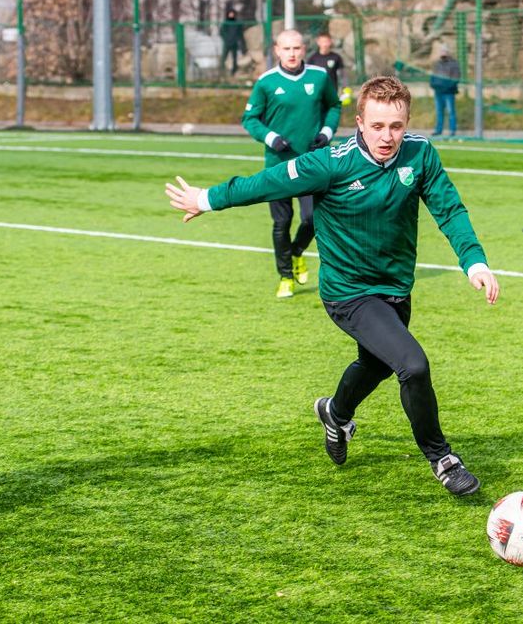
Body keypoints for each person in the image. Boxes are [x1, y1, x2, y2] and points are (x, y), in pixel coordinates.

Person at [166, 76, 499, 495]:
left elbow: (449, 209)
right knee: (412, 364)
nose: (387, 136)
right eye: (377, 126)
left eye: (395, 126)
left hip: (395, 288)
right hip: (348, 292)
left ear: (407, 122)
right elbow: (267, 183)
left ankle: (335, 413)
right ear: (359, 122)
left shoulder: (420, 153)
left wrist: (474, 262)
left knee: (377, 364)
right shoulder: (330, 162)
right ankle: (443, 459)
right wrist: (208, 199)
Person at [241, 28, 342, 298]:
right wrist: (271, 137)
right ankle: (285, 276)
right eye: (286, 49)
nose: (292, 53)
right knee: (281, 223)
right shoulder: (266, 82)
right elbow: (249, 119)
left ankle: (297, 252)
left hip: (311, 163)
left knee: (312, 218)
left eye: (296, 48)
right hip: (277, 165)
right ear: (277, 50)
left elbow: (334, 106)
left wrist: (326, 133)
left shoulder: (319, 77)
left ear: (303, 49)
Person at [306, 32, 352, 107]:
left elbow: (342, 75)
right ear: (318, 42)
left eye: (326, 41)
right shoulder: (312, 58)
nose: (324, 44)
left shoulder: (336, 57)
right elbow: (308, 76)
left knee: (331, 113)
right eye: (322, 42)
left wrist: (345, 88)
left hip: (332, 91)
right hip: (317, 91)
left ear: (330, 42)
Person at [429, 44, 461, 137]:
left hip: (449, 92)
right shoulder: (436, 64)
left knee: (451, 112)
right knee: (439, 112)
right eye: (441, 51)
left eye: (444, 51)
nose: (443, 53)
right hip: (438, 92)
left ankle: (452, 130)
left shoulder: (454, 64)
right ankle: (438, 130)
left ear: (448, 52)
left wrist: (446, 87)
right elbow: (433, 78)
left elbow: (456, 78)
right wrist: (434, 85)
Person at [219, 9, 246, 76]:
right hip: (227, 43)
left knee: (234, 58)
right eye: (230, 13)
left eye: (232, 13)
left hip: (234, 43)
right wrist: (226, 39)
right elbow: (222, 32)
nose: (231, 15)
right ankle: (221, 71)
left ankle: (233, 71)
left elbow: (240, 34)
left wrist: (239, 41)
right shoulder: (225, 23)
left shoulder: (237, 23)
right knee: (224, 57)